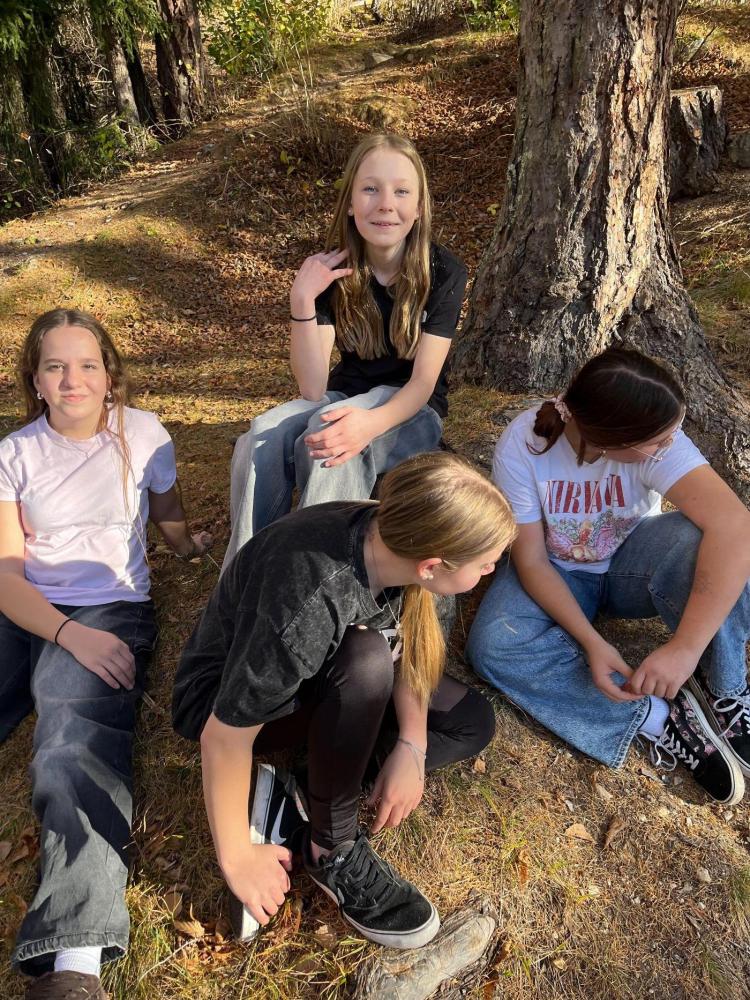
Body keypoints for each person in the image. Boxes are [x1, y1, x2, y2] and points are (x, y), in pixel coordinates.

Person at [173, 452, 515, 949]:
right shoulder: (312, 596)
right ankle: (330, 846)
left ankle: (298, 792)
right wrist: (238, 859)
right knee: (368, 660)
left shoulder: (400, 537)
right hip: (222, 703)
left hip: (322, 675)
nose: (491, 569)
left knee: (470, 721)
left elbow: (411, 648)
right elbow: (223, 737)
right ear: (432, 566)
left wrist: (412, 746)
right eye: (485, 564)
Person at [0, 309, 211, 1000]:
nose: (73, 380)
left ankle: (75, 957)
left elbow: (166, 511)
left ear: (109, 373)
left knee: (69, 741)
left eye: (87, 364)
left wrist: (188, 549)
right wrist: (64, 634)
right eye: (55, 366)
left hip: (107, 607)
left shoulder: (143, 434)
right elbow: (6, 574)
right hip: (26, 606)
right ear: (35, 379)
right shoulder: (14, 454)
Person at [466, 347, 750, 806]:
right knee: (495, 645)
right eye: (659, 442)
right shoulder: (525, 444)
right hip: (558, 573)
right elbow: (532, 561)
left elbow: (735, 526)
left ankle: (722, 686)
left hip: (632, 564)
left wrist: (685, 647)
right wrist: (592, 642)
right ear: (608, 441)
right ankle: (657, 717)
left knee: (716, 545)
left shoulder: (657, 434)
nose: (670, 445)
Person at [224, 132, 468, 567]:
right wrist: (302, 301)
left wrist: (369, 425)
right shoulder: (331, 270)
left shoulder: (444, 271)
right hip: (343, 395)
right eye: (370, 188)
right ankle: (244, 574)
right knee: (259, 435)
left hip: (413, 410)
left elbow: (423, 383)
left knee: (330, 437)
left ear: (419, 207)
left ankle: (315, 576)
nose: (385, 204)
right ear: (351, 202)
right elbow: (312, 387)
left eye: (401, 191)